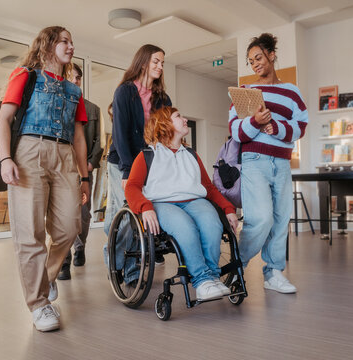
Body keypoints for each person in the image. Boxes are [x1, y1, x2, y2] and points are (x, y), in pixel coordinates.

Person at [0, 26, 89, 332]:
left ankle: (46, 278)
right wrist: (6, 158)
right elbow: (4, 121)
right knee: (30, 232)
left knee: (70, 226)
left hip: (64, 157)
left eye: (72, 42)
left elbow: (78, 137)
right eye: (64, 41)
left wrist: (84, 177)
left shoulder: (75, 91)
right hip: (29, 150)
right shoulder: (26, 75)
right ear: (48, 44)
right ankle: (38, 305)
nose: (71, 46)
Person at [125, 106, 239, 300]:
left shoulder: (191, 155)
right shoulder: (148, 155)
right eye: (179, 117)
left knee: (212, 223)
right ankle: (202, 280)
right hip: (163, 203)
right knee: (185, 227)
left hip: (194, 200)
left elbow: (209, 189)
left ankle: (211, 276)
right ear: (164, 123)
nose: (185, 119)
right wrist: (145, 207)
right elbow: (132, 187)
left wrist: (228, 208)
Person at [229, 33, 308, 294]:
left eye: (259, 58)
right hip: (254, 161)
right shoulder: (245, 93)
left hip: (282, 162)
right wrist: (256, 121)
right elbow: (236, 131)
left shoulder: (292, 92)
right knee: (260, 218)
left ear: (272, 55)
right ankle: (237, 265)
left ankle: (273, 272)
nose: (255, 64)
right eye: (251, 61)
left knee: (280, 218)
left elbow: (301, 126)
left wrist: (278, 127)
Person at [103, 44, 172, 278]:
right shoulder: (124, 92)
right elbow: (120, 134)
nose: (160, 66)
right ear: (143, 63)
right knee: (124, 213)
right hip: (121, 161)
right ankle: (119, 261)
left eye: (162, 63)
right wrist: (126, 170)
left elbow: (164, 134)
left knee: (135, 214)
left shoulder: (163, 98)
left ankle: (126, 266)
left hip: (148, 163)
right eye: (156, 61)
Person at [58, 63, 103, 281]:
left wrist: (90, 164)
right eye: (72, 77)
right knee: (64, 216)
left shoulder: (93, 109)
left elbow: (98, 141)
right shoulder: (59, 106)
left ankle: (80, 247)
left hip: (84, 169)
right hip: (62, 170)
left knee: (83, 215)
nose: (75, 81)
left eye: (78, 78)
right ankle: (64, 262)